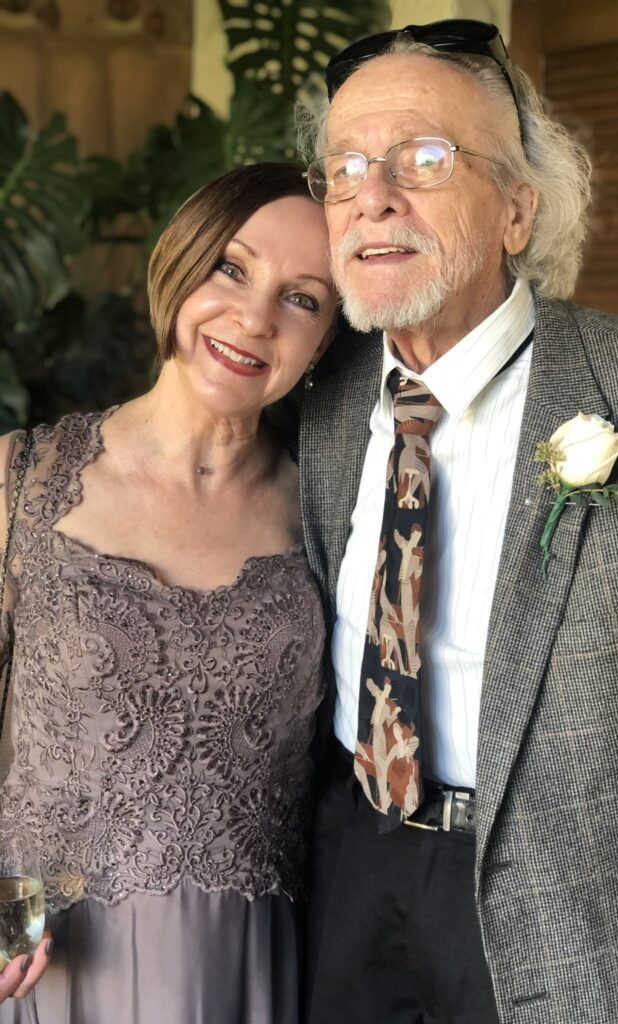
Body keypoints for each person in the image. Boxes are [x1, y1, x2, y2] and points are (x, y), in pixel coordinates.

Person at [296, 19, 618, 1024]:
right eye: (343, 166)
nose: (372, 193)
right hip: (343, 874)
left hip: (576, 922)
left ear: (517, 209)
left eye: (423, 158)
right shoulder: (321, 402)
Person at [0, 162, 337, 1023]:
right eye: (231, 267)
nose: (255, 318)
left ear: (329, 338)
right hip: (53, 968)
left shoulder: (333, 518)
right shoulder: (23, 481)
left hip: (251, 973)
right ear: (178, 266)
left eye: (303, 298)